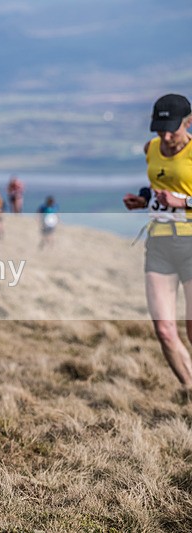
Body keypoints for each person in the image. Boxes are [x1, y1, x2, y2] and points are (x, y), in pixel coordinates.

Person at [123, 93, 192, 392]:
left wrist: (183, 201)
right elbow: (157, 187)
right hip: (160, 243)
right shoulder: (150, 149)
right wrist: (143, 200)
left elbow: (177, 195)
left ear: (188, 122)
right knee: (164, 330)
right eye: (159, 129)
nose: (165, 136)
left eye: (172, 130)